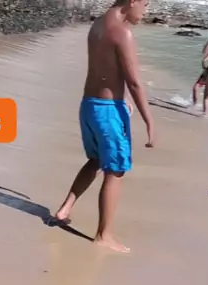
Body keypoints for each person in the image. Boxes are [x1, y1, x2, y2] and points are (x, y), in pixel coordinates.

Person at [52, 0, 154, 253]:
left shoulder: (98, 24)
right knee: (115, 170)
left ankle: (65, 208)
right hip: (109, 112)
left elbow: (106, 70)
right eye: (145, 4)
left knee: (96, 160)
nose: (146, 11)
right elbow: (134, 82)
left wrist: (121, 97)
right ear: (132, 1)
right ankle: (103, 235)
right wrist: (149, 121)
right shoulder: (123, 33)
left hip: (89, 105)